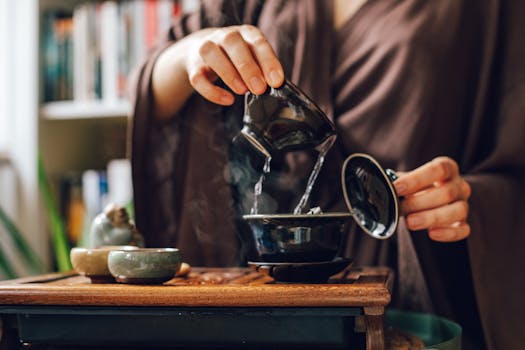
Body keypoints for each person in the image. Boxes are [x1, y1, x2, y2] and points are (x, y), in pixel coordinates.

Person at [129, 1, 525, 349]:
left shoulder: (486, 10)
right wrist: (192, 55)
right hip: (264, 285)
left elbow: (514, 156)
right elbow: (153, 94)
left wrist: (470, 198)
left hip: (413, 279)